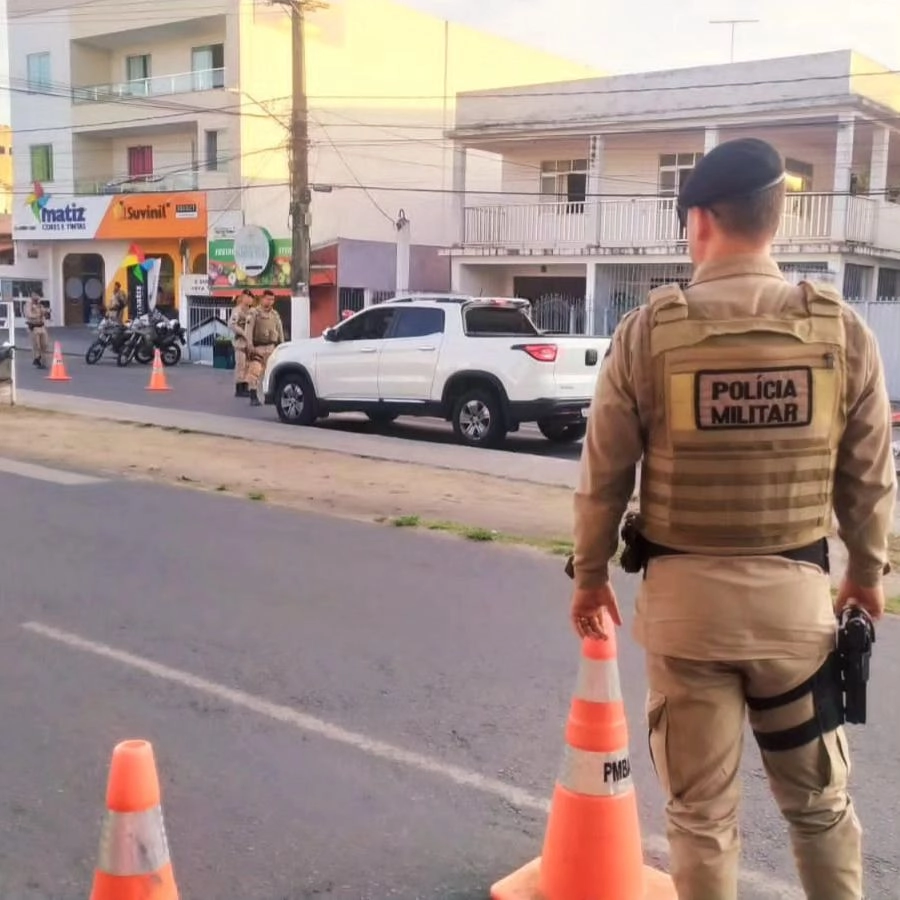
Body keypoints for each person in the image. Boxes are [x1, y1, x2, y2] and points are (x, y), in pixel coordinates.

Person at [570, 137, 896, 900]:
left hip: (688, 619)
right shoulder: (840, 330)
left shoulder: (649, 332)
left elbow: (603, 478)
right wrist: (867, 576)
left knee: (700, 818)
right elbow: (870, 476)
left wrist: (588, 578)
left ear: (702, 220)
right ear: (772, 222)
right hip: (797, 615)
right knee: (819, 810)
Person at [245, 289, 285, 407]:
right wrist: (250, 345)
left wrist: (282, 344)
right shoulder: (254, 313)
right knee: (254, 372)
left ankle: (268, 396)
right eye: (268, 299)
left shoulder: (275, 314)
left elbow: (280, 330)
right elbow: (249, 330)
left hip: (271, 347)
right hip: (258, 347)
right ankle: (253, 395)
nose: (270, 301)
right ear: (262, 299)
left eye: (272, 299)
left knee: (270, 372)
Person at [228, 289, 254, 397]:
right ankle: (239, 389)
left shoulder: (251, 311)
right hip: (240, 342)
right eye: (248, 297)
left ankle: (245, 387)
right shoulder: (237, 311)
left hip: (249, 344)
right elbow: (232, 325)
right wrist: (242, 332)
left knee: (248, 366)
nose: (250, 299)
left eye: (251, 298)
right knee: (240, 366)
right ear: (243, 297)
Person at [24, 292, 50, 368]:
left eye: (38, 296)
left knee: (44, 344)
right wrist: (37, 315)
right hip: (34, 327)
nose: (38, 298)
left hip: (41, 326)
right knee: (36, 345)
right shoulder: (28, 304)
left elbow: (44, 312)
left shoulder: (39, 304)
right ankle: (38, 360)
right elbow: (29, 315)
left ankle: (43, 361)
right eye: (36, 296)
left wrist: (46, 312)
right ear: (32, 296)